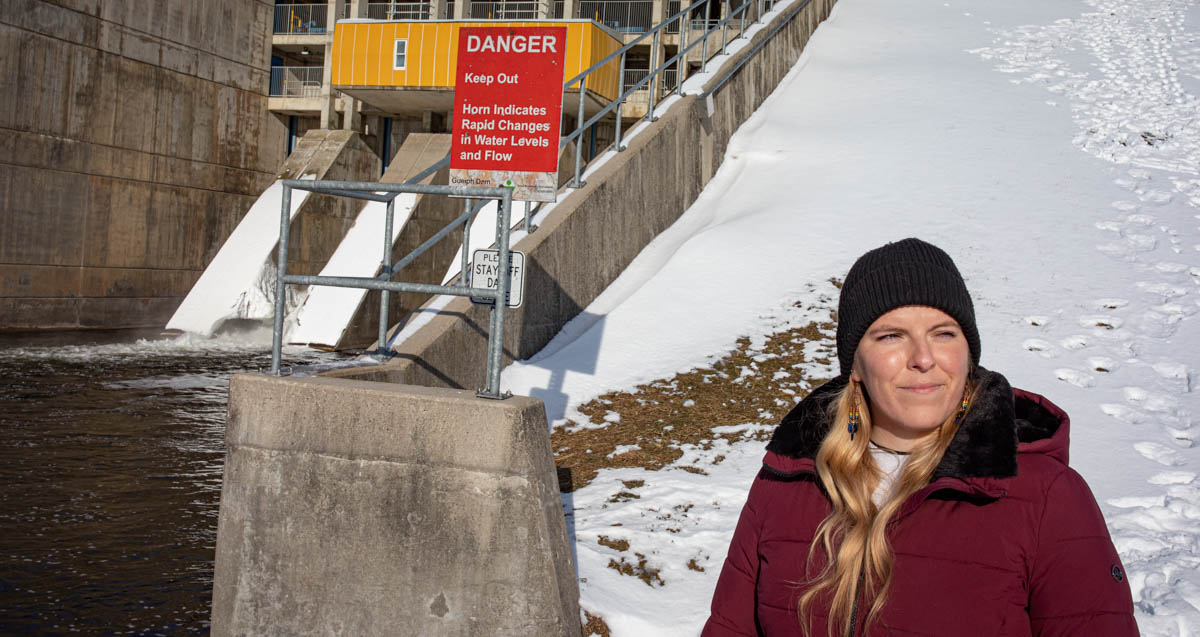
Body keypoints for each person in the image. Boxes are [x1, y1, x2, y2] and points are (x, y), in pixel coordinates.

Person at [702, 238, 1137, 636]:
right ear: (855, 365)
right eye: (892, 336)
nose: (923, 359)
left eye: (943, 334)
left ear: (968, 353)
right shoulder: (789, 479)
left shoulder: (1045, 497)